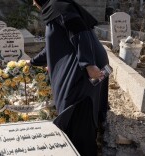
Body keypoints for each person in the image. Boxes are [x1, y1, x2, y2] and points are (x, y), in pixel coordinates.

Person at [30, 0, 109, 155]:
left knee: (75, 106)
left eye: (34, 0)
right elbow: (54, 45)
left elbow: (79, 30)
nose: (34, 4)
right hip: (87, 62)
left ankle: (82, 150)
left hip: (85, 65)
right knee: (79, 108)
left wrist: (88, 64)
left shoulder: (57, 6)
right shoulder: (56, 8)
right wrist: (33, 61)